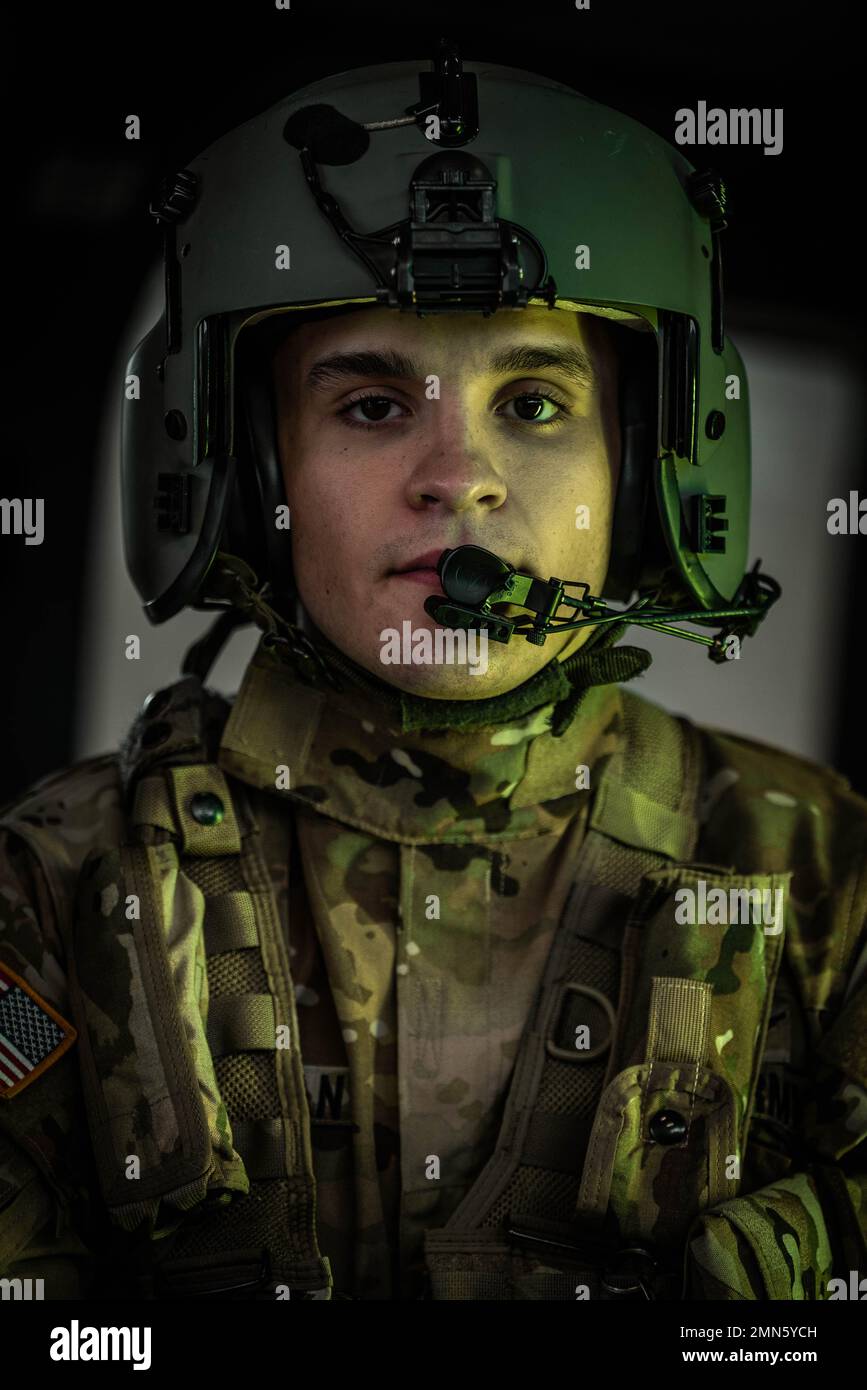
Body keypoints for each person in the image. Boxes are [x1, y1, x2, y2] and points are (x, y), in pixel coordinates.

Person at [0, 47, 864, 1303]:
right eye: (369, 406)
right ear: (248, 471)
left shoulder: (823, 876)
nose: (458, 476)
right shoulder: (53, 886)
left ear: (651, 471)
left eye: (534, 401)